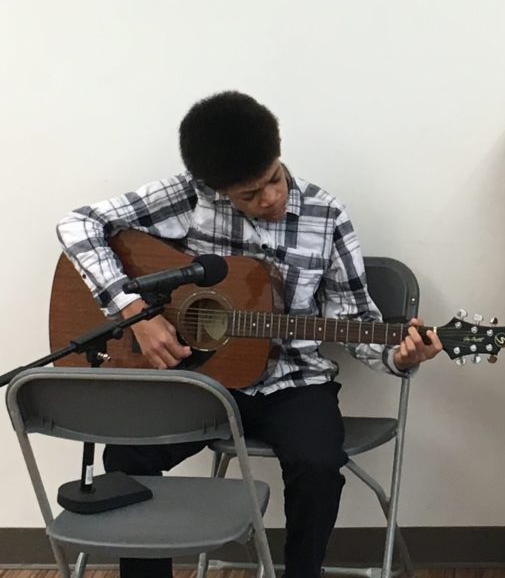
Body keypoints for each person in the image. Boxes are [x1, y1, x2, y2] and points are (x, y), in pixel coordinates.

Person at [56, 90, 442, 578]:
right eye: (249, 195)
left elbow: (357, 322)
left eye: (274, 180)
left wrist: (401, 357)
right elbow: (78, 224)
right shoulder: (189, 197)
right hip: (203, 384)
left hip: (293, 384)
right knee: (126, 454)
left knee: (319, 464)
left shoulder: (326, 216)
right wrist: (139, 314)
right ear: (215, 189)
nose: (271, 198)